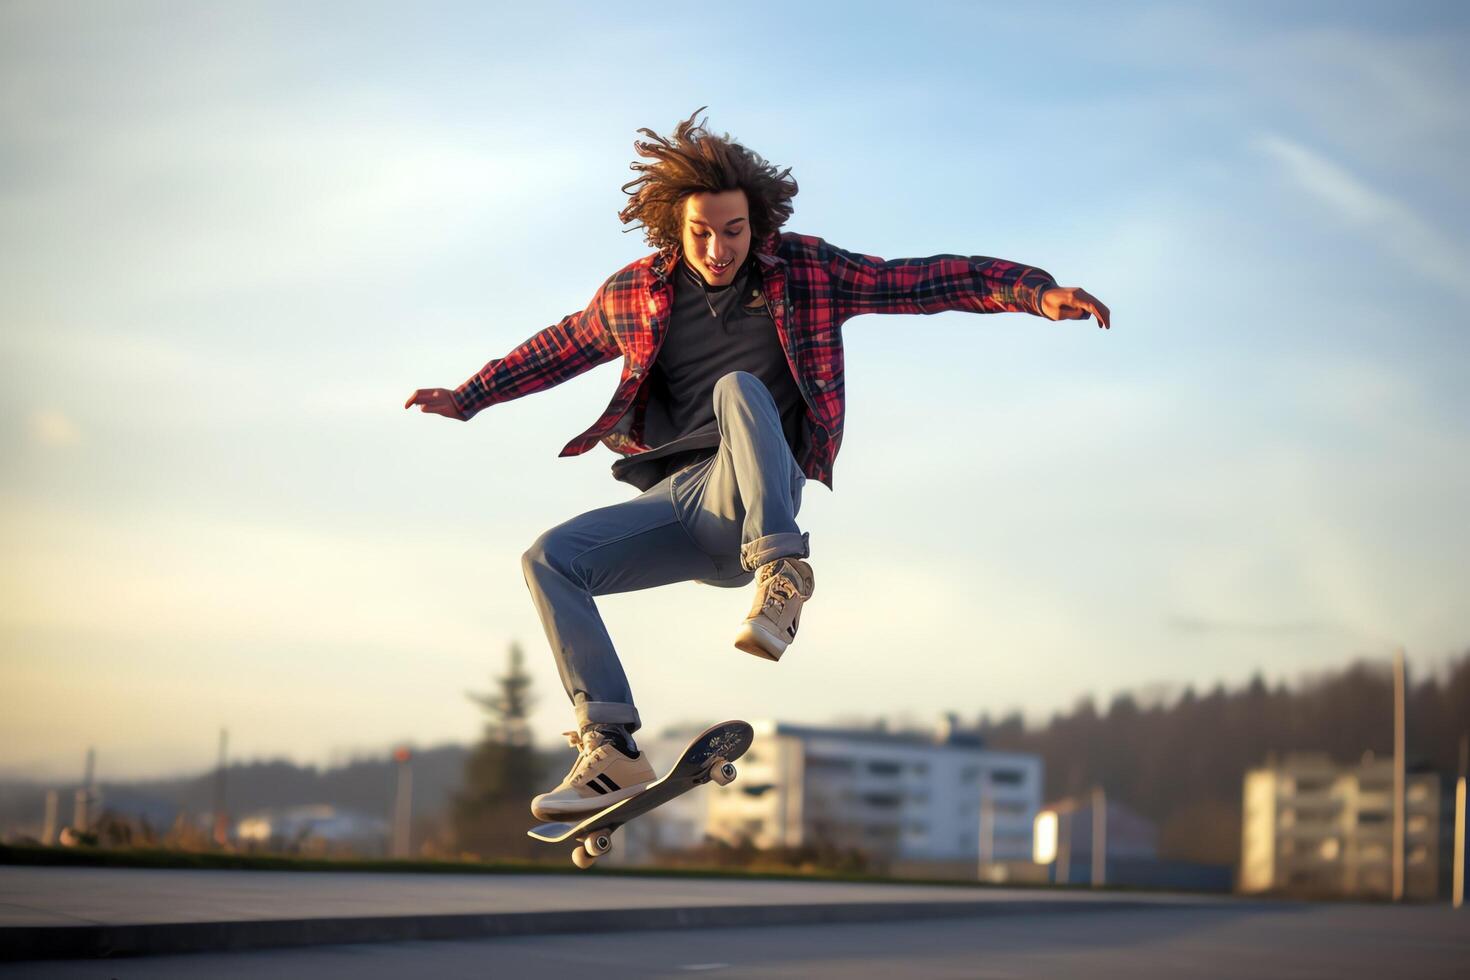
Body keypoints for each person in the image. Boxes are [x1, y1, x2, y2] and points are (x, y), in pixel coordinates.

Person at [406, 109, 1110, 820]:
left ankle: (784, 570)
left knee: (737, 387)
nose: (718, 249)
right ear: (673, 229)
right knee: (550, 559)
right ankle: (611, 746)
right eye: (702, 234)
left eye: (735, 232)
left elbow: (917, 281)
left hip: (763, 501)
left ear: (758, 224)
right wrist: (468, 396)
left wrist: (1031, 292)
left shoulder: (807, 271)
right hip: (688, 504)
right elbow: (559, 346)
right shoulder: (633, 294)